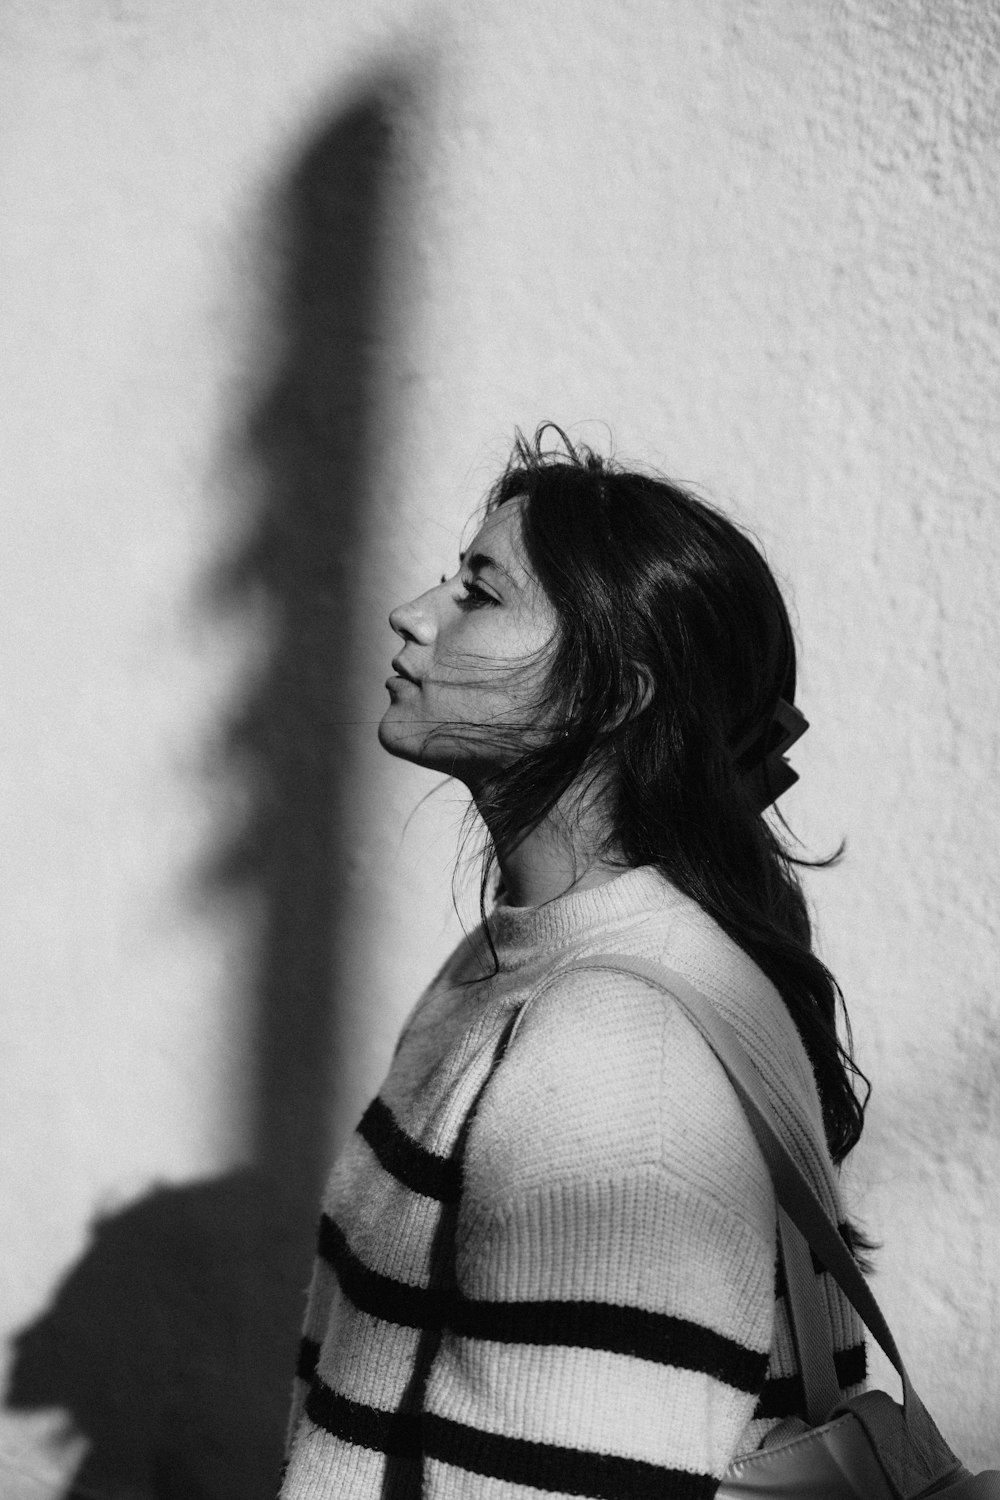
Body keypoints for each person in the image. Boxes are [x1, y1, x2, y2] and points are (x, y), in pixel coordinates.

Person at [279, 427, 870, 1499]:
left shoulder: (616, 1058)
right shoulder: (534, 956)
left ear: (615, 695)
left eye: (480, 592)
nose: (414, 613)